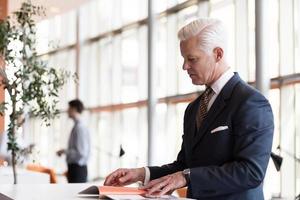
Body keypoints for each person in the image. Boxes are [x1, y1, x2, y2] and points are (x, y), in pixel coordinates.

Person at [104, 18, 274, 200]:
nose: (185, 66)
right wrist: (140, 173)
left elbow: (251, 172)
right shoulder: (194, 108)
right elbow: (185, 165)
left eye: (192, 59)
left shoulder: (251, 102)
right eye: (184, 59)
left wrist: (186, 177)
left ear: (218, 54)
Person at [57, 99, 90, 183]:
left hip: (77, 169)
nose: (67, 111)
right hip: (75, 169)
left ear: (74, 109)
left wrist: (65, 151)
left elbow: (81, 153)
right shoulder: (77, 126)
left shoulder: (80, 128)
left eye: (69, 108)